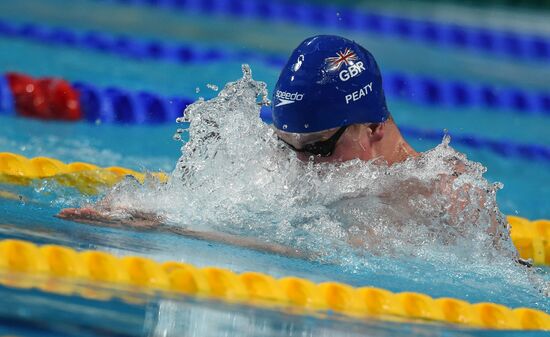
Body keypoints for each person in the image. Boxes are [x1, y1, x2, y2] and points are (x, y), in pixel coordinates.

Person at [270, 35, 418, 165]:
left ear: (373, 127)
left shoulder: (431, 191)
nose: (299, 167)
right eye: (285, 146)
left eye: (317, 148)